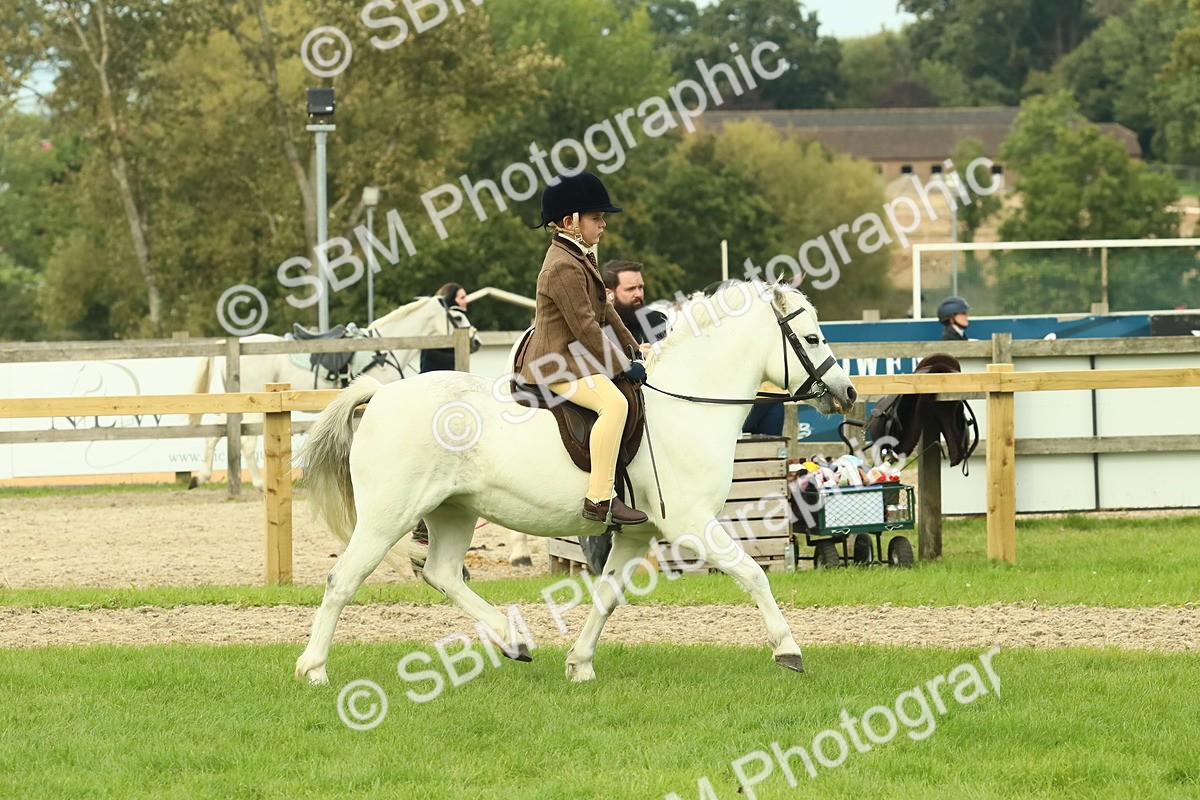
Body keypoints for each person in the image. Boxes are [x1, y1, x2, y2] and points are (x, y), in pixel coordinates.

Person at [518, 171, 648, 526]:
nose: (603, 224)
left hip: (574, 358)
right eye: (596, 217)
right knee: (615, 403)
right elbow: (586, 327)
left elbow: (606, 310)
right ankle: (600, 498)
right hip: (554, 364)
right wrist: (621, 366)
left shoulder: (580, 255)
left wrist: (636, 349)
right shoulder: (561, 265)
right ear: (569, 221)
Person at [602, 260, 669, 347]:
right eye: (631, 289)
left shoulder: (657, 321)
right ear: (609, 294)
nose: (639, 294)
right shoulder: (597, 328)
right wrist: (636, 354)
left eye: (640, 287)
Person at [420, 282, 474, 372]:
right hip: (431, 376)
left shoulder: (456, 321)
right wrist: (459, 355)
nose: (466, 301)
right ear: (451, 299)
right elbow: (430, 353)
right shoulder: (437, 321)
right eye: (462, 298)